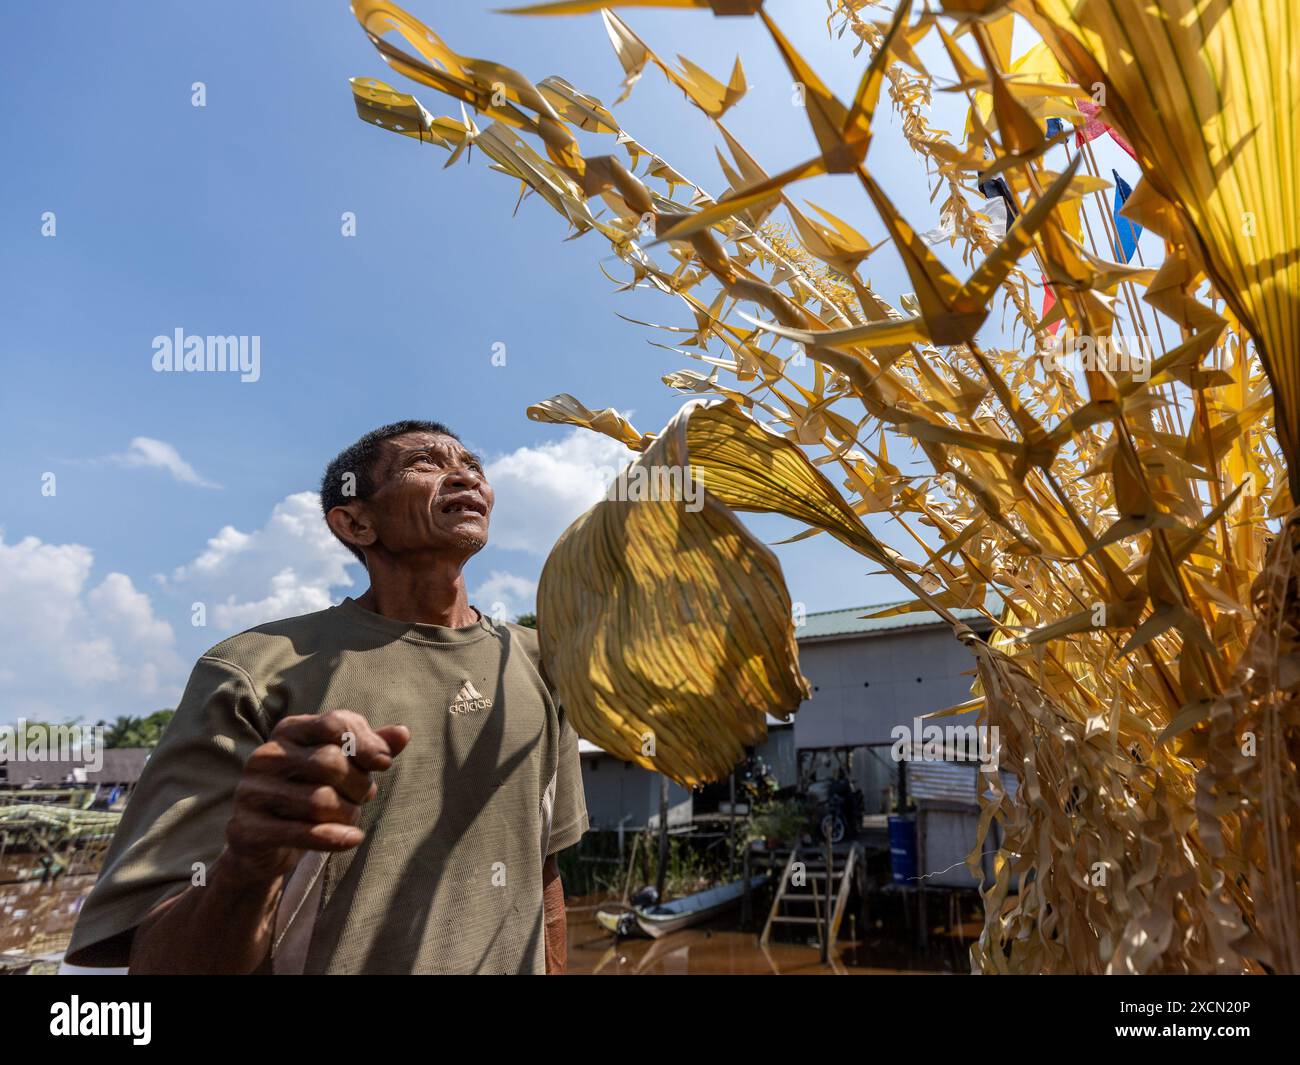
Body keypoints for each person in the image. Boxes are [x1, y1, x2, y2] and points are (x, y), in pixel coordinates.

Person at [66, 420, 587, 974]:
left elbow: (544, 872)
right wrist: (249, 865)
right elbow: (156, 963)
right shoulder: (253, 670)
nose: (464, 475)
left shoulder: (540, 662)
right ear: (356, 521)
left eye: (472, 465)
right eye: (426, 463)